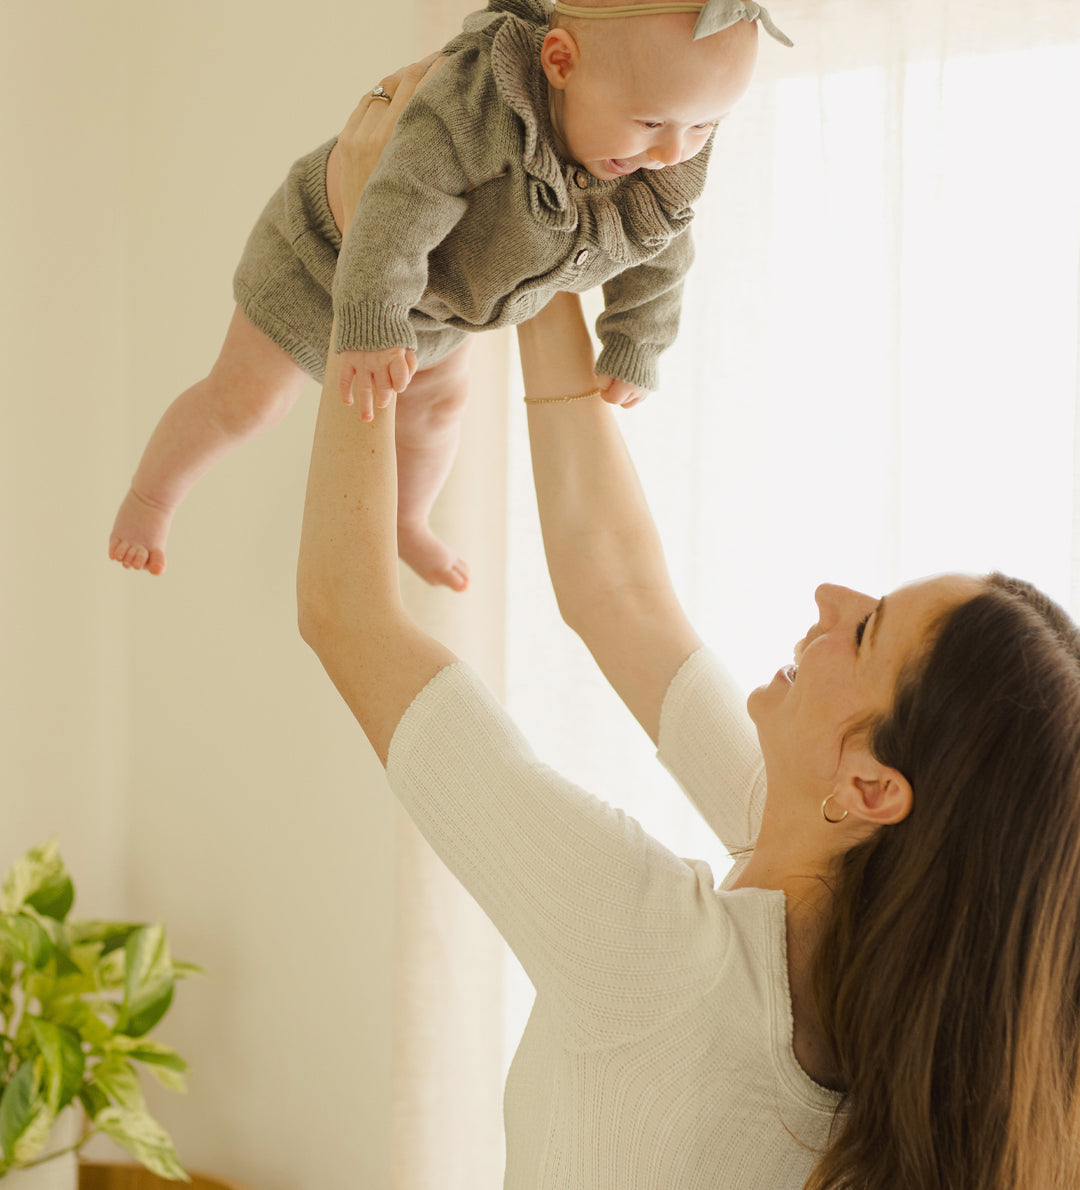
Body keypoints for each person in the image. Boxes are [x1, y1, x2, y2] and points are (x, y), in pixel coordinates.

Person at [297, 68, 1080, 1189]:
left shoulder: (657, 953)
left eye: (864, 635)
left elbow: (348, 613)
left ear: (871, 787)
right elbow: (618, 594)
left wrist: (369, 259)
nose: (826, 602)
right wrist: (543, 241)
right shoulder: (856, 954)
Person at [109, 0, 792, 590]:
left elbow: (664, 253)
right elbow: (402, 199)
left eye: (704, 125)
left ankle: (410, 521)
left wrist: (637, 340)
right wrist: (373, 317)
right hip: (325, 249)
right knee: (250, 402)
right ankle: (152, 498)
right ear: (559, 62)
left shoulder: (656, 169)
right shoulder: (480, 102)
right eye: (651, 122)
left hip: (441, 310)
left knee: (438, 412)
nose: (673, 151)